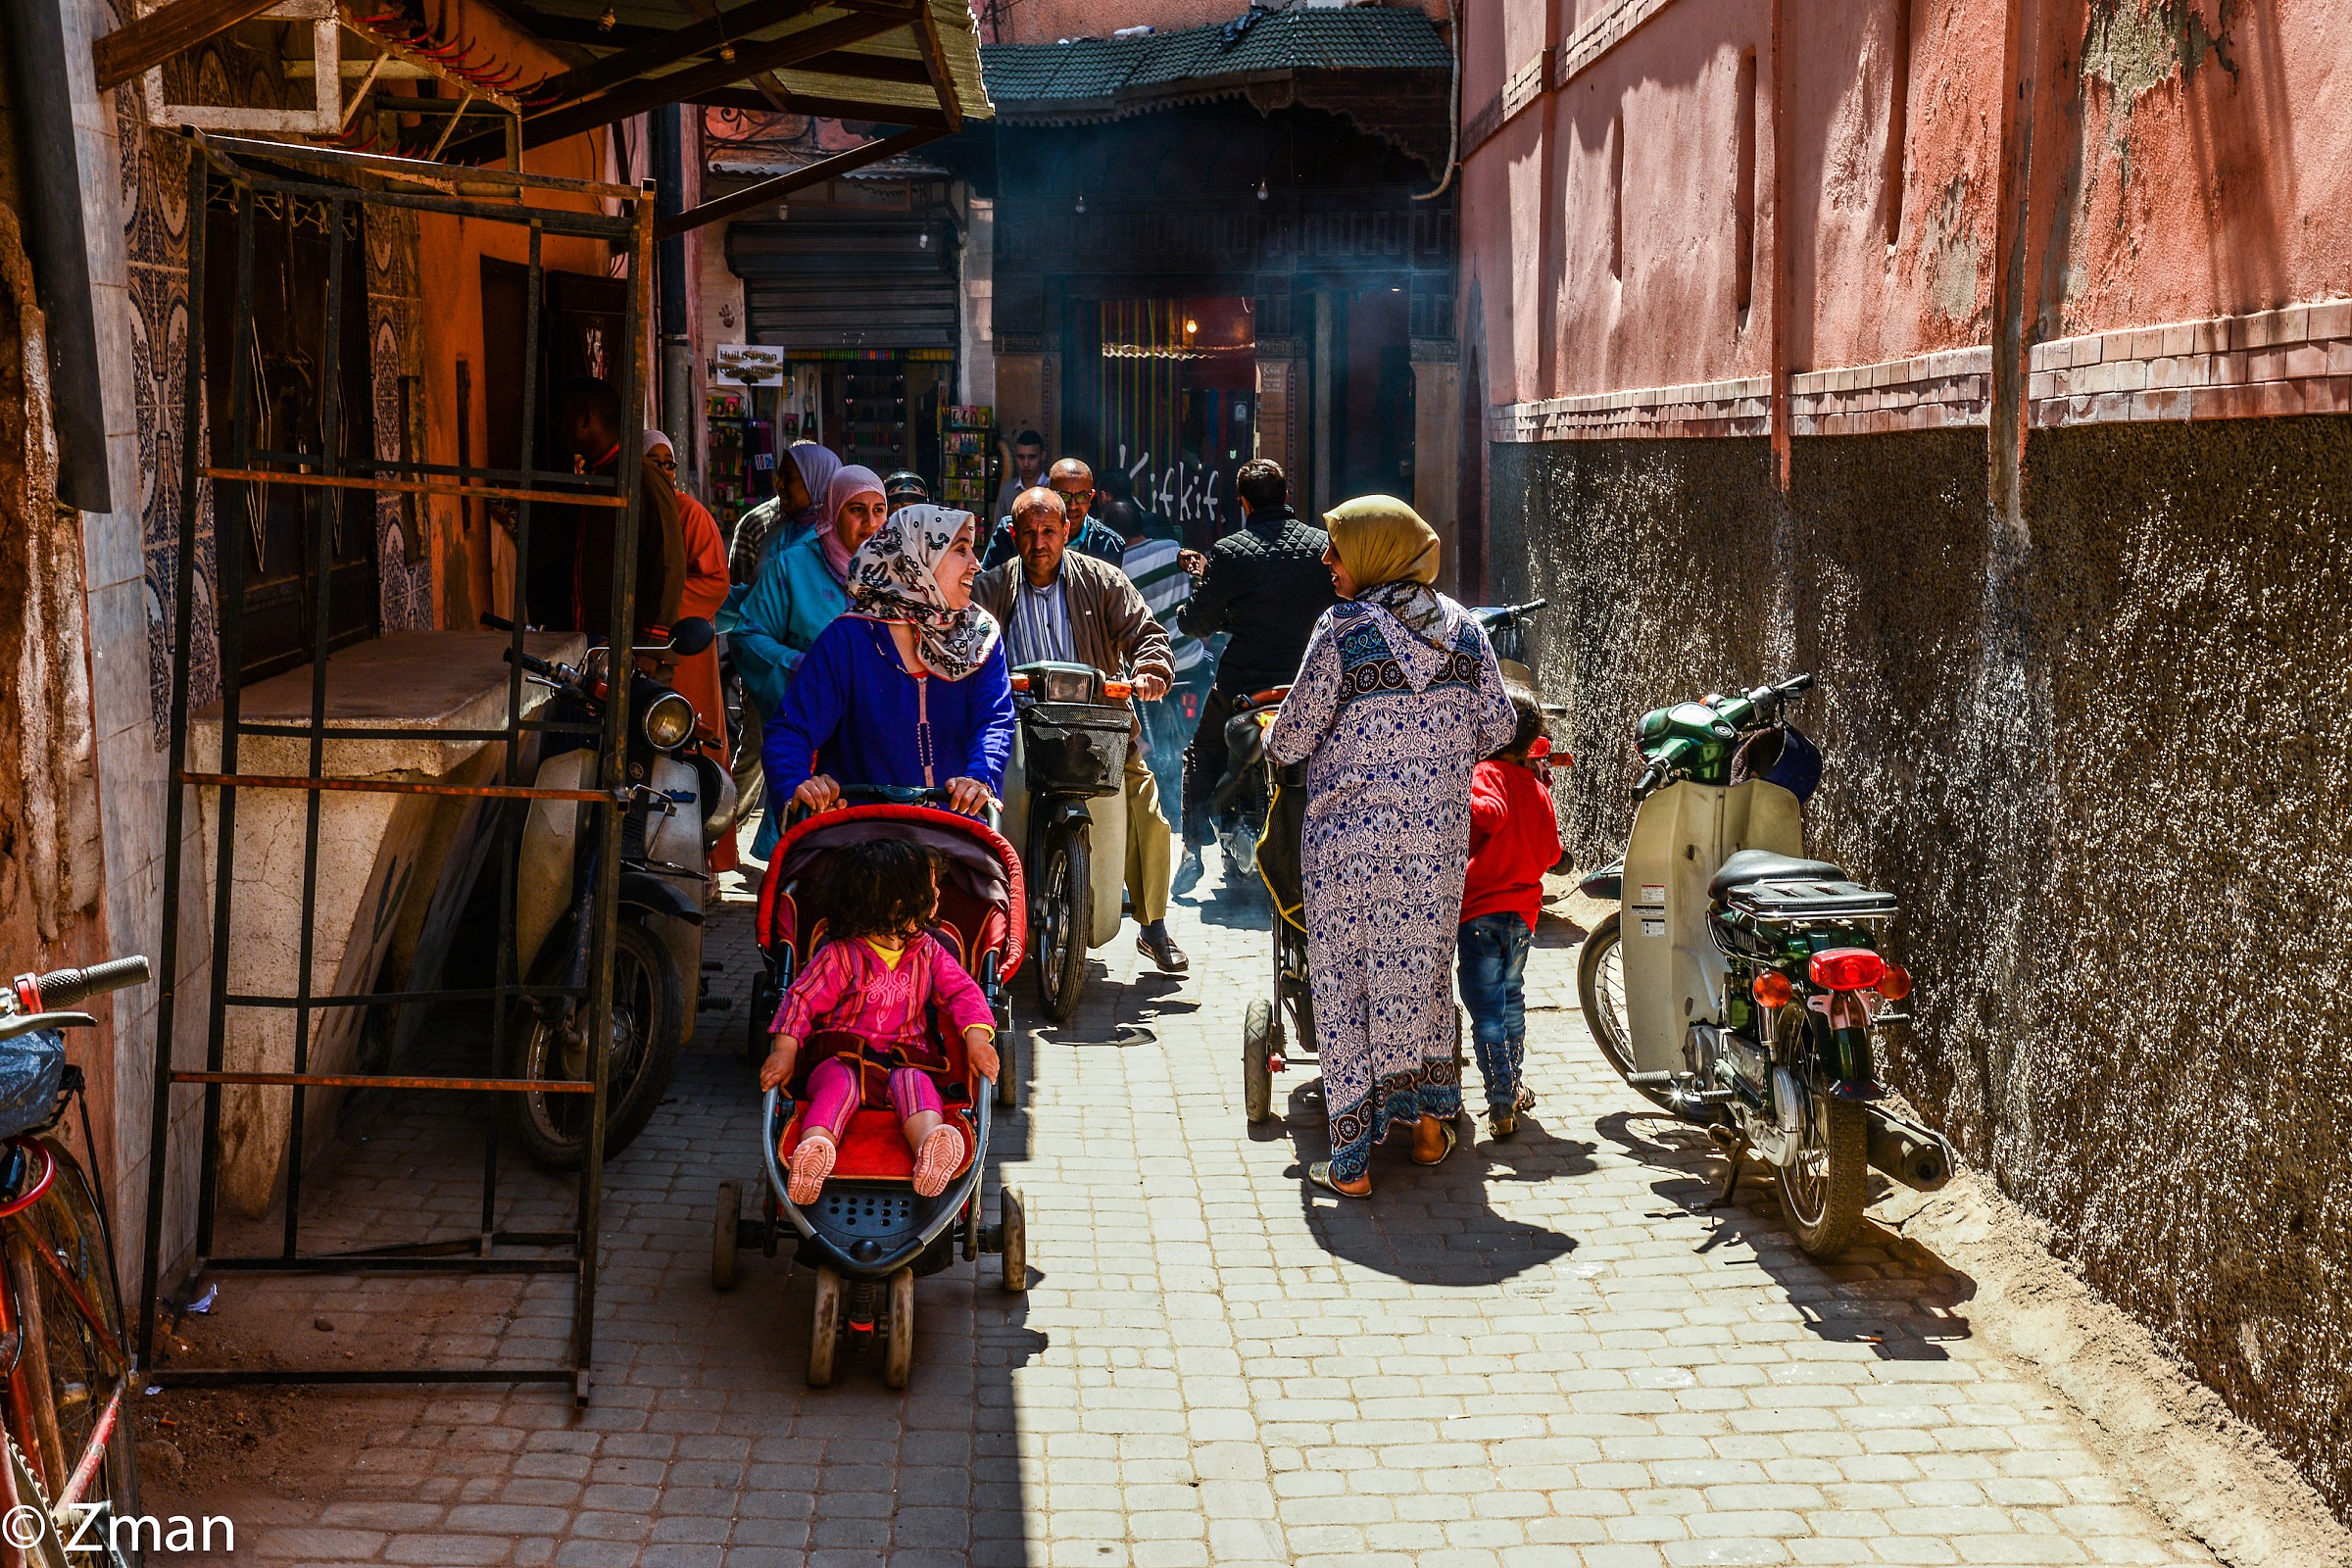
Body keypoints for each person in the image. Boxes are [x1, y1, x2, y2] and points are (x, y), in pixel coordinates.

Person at [1266, 496, 1516, 1198]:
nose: (1327, 560)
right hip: (1436, 847)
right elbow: (1499, 727)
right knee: (1423, 979)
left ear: (1376, 554)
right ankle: (1430, 1130)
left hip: (1348, 848)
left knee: (1345, 986)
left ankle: (1351, 1166)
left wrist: (1273, 737)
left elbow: (1292, 737)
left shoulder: (1343, 630)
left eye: (1338, 548)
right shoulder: (1467, 631)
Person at [975, 487, 1189, 973]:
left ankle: (1153, 925)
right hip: (1016, 728)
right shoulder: (991, 588)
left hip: (1097, 727)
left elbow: (1146, 633)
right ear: (1013, 535)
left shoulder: (1102, 580)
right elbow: (962, 640)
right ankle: (992, 924)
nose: (1039, 543)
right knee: (985, 801)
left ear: (1067, 530)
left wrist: (1152, 670)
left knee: (1146, 808)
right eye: (1028, 532)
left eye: (1049, 531)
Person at [759, 840, 1000, 1201]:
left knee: (917, 1085)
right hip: (842, 1056)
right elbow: (801, 1001)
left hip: (905, 1059)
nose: (938, 894)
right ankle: (815, 1148)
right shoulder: (840, 956)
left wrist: (978, 1040)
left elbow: (963, 992)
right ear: (901, 905)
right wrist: (784, 1051)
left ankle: (931, 1146)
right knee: (838, 1085)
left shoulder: (928, 952)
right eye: (931, 888)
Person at [761, 504, 1014, 819]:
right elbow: (790, 730)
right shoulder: (848, 639)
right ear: (917, 559)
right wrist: (799, 786)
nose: (975, 564)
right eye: (961, 550)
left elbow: (994, 720)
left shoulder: (980, 637)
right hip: (861, 834)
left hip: (956, 831)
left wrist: (980, 778)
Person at [1174, 458, 1337, 892]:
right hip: (1311, 682)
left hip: (1244, 684)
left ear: (1243, 503)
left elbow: (1199, 622)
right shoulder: (1322, 546)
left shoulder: (1229, 552)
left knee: (1202, 752)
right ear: (1286, 496)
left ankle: (1192, 850)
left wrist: (1196, 600)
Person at [720, 465, 891, 857]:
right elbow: (747, 636)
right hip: (814, 735)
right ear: (833, 511)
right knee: (809, 849)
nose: (870, 523)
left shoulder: (897, 572)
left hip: (875, 738)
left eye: (879, 510)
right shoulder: (792, 567)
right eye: (857, 510)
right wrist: (802, 669)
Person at [1458, 686, 1563, 1139]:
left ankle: (1500, 1097)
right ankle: (1514, 1084)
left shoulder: (1485, 773)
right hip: (1523, 917)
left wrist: (1453, 796)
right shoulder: (1539, 790)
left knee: (1486, 1008)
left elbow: (1488, 813)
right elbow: (1552, 853)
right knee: (1512, 998)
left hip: (1480, 913)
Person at [646, 430, 739, 871]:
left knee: (695, 742)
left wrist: (661, 608)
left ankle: (707, 857)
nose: (664, 472)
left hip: (685, 648)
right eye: (654, 463)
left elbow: (714, 582)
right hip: (641, 647)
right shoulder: (633, 511)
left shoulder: (691, 514)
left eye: (669, 464)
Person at [543, 379, 685, 644]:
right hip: (592, 641)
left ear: (587, 419)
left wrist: (653, 646)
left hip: (627, 645)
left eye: (564, 416)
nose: (557, 425)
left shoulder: (642, 477)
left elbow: (668, 562)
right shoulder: (596, 476)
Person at [1113, 484, 1212, 816]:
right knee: (1201, 734)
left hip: (1151, 673)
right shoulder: (1173, 549)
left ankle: (1167, 810)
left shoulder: (1117, 569)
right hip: (1192, 662)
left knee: (1153, 743)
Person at [729, 442, 843, 584]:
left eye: (789, 478)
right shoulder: (769, 528)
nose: (779, 485)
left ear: (817, 480)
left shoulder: (843, 534)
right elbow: (744, 589)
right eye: (780, 476)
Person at [984, 457, 1125, 569]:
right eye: (1064, 496)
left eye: (1081, 497)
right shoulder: (1012, 532)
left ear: (1091, 498)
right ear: (1049, 493)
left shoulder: (1109, 545)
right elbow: (987, 586)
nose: (1072, 506)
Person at [992, 428, 1046, 520]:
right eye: (1021, 457)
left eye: (1032, 457)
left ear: (1043, 455)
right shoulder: (1007, 490)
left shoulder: (1052, 488)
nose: (1026, 464)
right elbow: (997, 527)